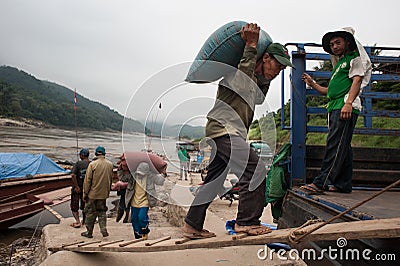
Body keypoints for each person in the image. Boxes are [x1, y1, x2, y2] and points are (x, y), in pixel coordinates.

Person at [183, 23, 295, 239]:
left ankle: (192, 225)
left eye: (282, 69)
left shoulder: (254, 82)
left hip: (223, 132)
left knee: (214, 181)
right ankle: (245, 222)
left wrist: (265, 77)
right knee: (255, 171)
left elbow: (259, 98)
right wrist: (251, 45)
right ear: (265, 58)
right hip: (224, 131)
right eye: (276, 65)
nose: (277, 71)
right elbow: (244, 79)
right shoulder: (236, 75)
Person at [301, 27, 371, 194]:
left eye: (338, 42)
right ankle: (343, 184)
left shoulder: (354, 59)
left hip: (344, 106)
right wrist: (312, 84)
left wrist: (348, 103)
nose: (334, 46)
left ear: (348, 42)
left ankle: (321, 182)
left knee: (335, 144)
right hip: (334, 106)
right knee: (343, 146)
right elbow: (329, 91)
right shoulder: (339, 64)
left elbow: (357, 81)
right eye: (332, 44)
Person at [125, 162, 165, 240]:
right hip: (134, 201)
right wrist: (120, 169)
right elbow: (122, 178)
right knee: (134, 219)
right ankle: (138, 235)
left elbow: (160, 182)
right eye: (139, 173)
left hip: (145, 200)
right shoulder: (133, 176)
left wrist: (163, 174)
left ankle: (145, 231)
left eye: (142, 174)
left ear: (146, 173)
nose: (140, 175)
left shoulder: (150, 176)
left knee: (141, 217)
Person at [81, 146, 113, 238]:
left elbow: (87, 181)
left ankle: (89, 232)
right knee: (102, 212)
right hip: (103, 194)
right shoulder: (110, 164)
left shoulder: (92, 164)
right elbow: (110, 179)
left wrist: (85, 194)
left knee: (90, 213)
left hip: (92, 194)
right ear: (104, 154)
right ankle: (103, 230)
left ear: (95, 154)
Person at [70, 148, 90, 228]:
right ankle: (85, 221)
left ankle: (78, 221)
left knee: (74, 205)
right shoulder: (92, 164)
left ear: (82, 155)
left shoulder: (78, 164)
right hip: (87, 189)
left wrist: (76, 186)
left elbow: (73, 175)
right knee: (85, 206)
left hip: (77, 189)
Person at [115, 154, 131, 223]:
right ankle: (119, 219)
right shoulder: (121, 170)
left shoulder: (130, 173)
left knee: (125, 205)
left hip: (129, 191)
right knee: (122, 205)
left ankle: (125, 218)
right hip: (123, 191)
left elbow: (122, 179)